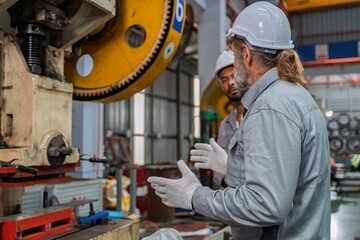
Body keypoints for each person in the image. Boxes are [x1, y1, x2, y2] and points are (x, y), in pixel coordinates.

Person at [148, 2, 331, 239]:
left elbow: (265, 205)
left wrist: (194, 196)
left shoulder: (269, 107)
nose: (233, 72)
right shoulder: (294, 95)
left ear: (245, 54)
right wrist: (231, 167)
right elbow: (286, 180)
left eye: (234, 58)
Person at [193, 50, 244, 188]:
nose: (230, 83)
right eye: (225, 80)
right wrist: (226, 180)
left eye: (234, 76)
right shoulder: (225, 125)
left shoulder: (259, 115)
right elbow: (217, 172)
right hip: (234, 198)